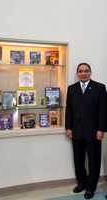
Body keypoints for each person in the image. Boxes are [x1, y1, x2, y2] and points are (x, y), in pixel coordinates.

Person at [65, 62, 107, 199]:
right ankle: (81, 184)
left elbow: (103, 111)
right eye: (81, 71)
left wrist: (101, 129)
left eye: (86, 71)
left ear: (90, 72)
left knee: (93, 161)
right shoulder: (71, 89)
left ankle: (91, 188)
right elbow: (69, 110)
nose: (83, 73)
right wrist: (68, 127)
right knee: (78, 160)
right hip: (76, 132)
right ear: (77, 73)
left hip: (94, 132)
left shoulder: (99, 88)